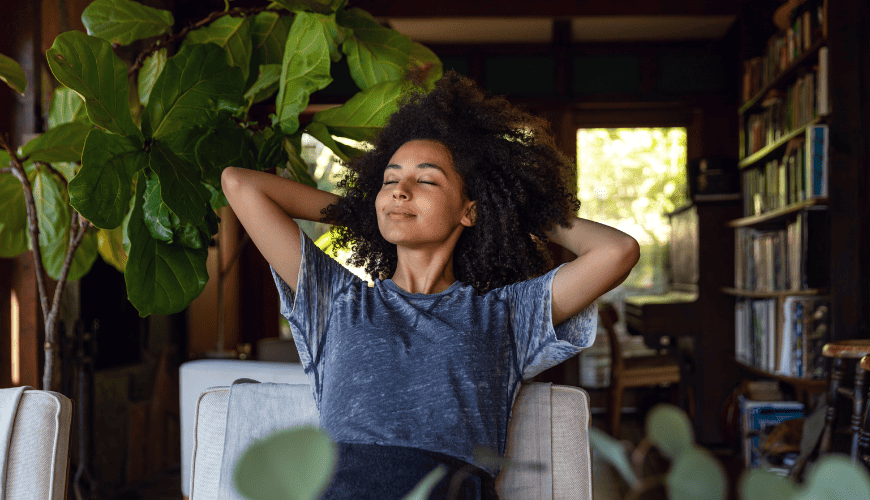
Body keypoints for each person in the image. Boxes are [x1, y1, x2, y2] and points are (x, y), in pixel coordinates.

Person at [221, 71, 640, 500]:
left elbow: (617, 250)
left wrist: (512, 210)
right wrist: (369, 213)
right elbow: (240, 184)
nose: (400, 191)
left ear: (468, 210)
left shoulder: (506, 314)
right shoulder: (337, 299)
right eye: (388, 180)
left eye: (425, 180)